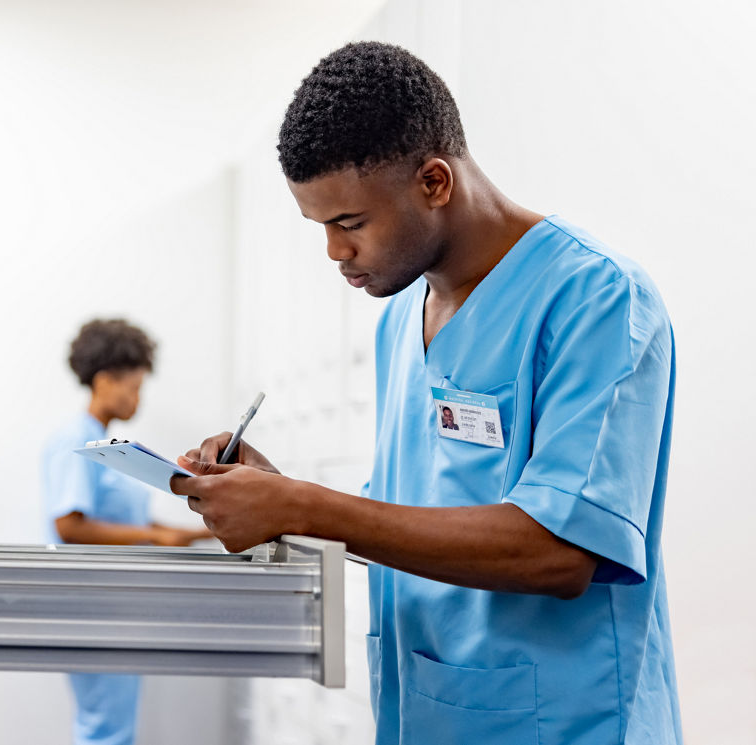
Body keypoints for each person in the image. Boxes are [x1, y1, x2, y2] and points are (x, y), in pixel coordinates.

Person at [171, 42, 680, 744]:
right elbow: (407, 527)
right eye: (319, 226)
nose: (334, 252)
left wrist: (307, 506)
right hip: (427, 713)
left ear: (434, 181)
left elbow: (560, 551)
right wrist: (278, 497)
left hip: (562, 722)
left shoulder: (597, 300)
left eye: (349, 223)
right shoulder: (400, 326)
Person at [41, 318, 209, 745]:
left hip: (111, 604)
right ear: (103, 382)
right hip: (91, 609)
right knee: (106, 731)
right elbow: (70, 526)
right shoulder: (76, 439)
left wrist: (197, 533)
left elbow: (125, 524)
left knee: (112, 726)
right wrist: (154, 539)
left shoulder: (103, 442)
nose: (138, 399)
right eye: (133, 388)